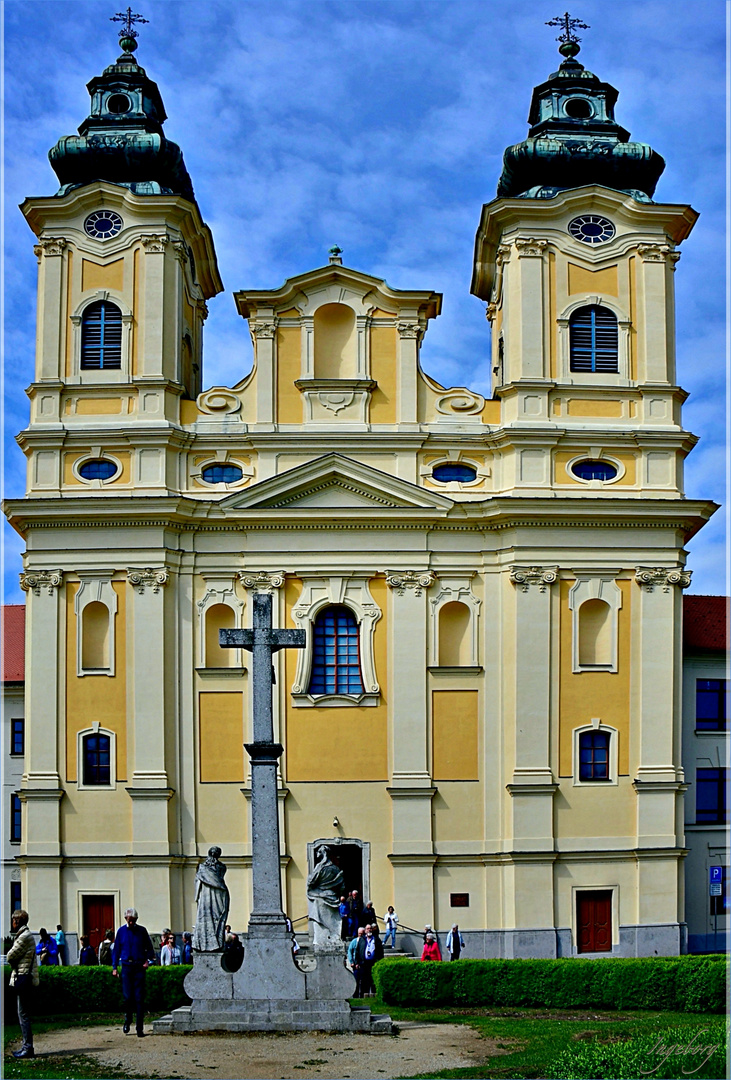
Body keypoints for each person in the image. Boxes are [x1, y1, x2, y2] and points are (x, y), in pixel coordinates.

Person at [112, 907, 156, 1037]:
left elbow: (149, 948)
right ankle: (128, 1019)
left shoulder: (142, 931)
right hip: (126, 967)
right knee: (127, 997)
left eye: (133, 920)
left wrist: (147, 961)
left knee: (139, 998)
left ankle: (139, 1028)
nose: (130, 922)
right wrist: (114, 967)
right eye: (129, 920)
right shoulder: (121, 932)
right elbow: (116, 951)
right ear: (126, 919)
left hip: (139, 967)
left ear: (136, 920)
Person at [8, 909, 38, 1059]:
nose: (12, 923)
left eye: (13, 920)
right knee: (23, 1013)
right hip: (25, 977)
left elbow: (10, 955)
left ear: (17, 921)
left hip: (23, 978)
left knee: (23, 1014)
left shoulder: (23, 937)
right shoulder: (25, 935)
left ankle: (28, 1047)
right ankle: (27, 1046)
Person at [306, 845, 344, 946]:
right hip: (332, 896)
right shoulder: (335, 869)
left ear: (322, 853)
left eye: (318, 852)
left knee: (320, 922)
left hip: (320, 897)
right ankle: (334, 937)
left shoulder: (320, 867)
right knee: (333, 921)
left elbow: (311, 881)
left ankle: (321, 940)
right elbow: (342, 886)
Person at [193, 847, 230, 952]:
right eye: (213, 852)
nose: (214, 854)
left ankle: (216, 942)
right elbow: (198, 881)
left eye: (217, 852)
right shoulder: (202, 867)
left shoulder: (222, 867)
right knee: (205, 917)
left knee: (218, 917)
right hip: (206, 896)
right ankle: (203, 943)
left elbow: (219, 878)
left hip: (219, 894)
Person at [356, 924, 383, 996]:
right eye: (367, 929)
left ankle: (375, 995)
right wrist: (357, 962)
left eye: (370, 928)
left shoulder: (376, 939)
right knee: (364, 980)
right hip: (364, 963)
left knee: (373, 980)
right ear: (365, 931)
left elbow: (380, 951)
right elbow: (357, 951)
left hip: (373, 962)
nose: (369, 930)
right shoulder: (362, 939)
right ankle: (363, 995)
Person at [347, 927, 364, 996]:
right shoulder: (354, 941)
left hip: (362, 964)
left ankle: (362, 994)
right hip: (355, 964)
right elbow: (349, 951)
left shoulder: (364, 941)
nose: (360, 935)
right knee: (356, 979)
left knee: (363, 980)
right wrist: (351, 962)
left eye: (362, 934)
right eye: (359, 934)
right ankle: (355, 993)